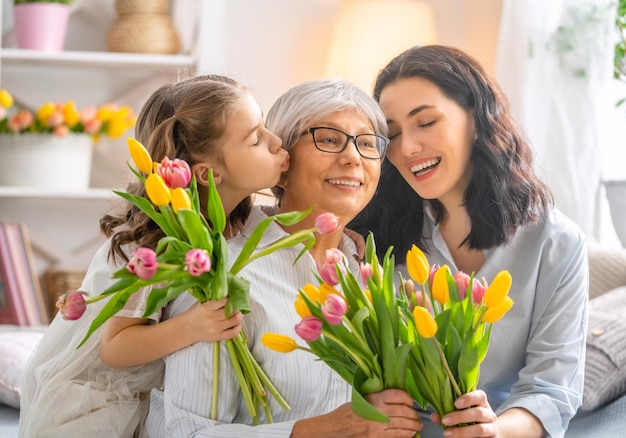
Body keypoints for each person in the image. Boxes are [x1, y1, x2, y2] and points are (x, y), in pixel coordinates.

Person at [144, 78, 423, 437]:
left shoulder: (374, 279)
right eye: (329, 139)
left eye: (368, 144)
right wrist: (320, 430)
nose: (353, 156)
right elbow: (186, 432)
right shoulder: (220, 274)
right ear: (284, 160)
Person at [19, 74, 290, 437]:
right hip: (98, 401)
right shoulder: (154, 245)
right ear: (207, 174)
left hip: (147, 392)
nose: (276, 142)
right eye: (256, 138)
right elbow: (114, 348)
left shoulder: (229, 221)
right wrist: (189, 327)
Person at [350, 45, 588, 437]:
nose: (407, 147)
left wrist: (492, 430)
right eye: (391, 134)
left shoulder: (555, 244)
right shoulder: (372, 239)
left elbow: (550, 390)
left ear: (476, 120)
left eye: (425, 122)